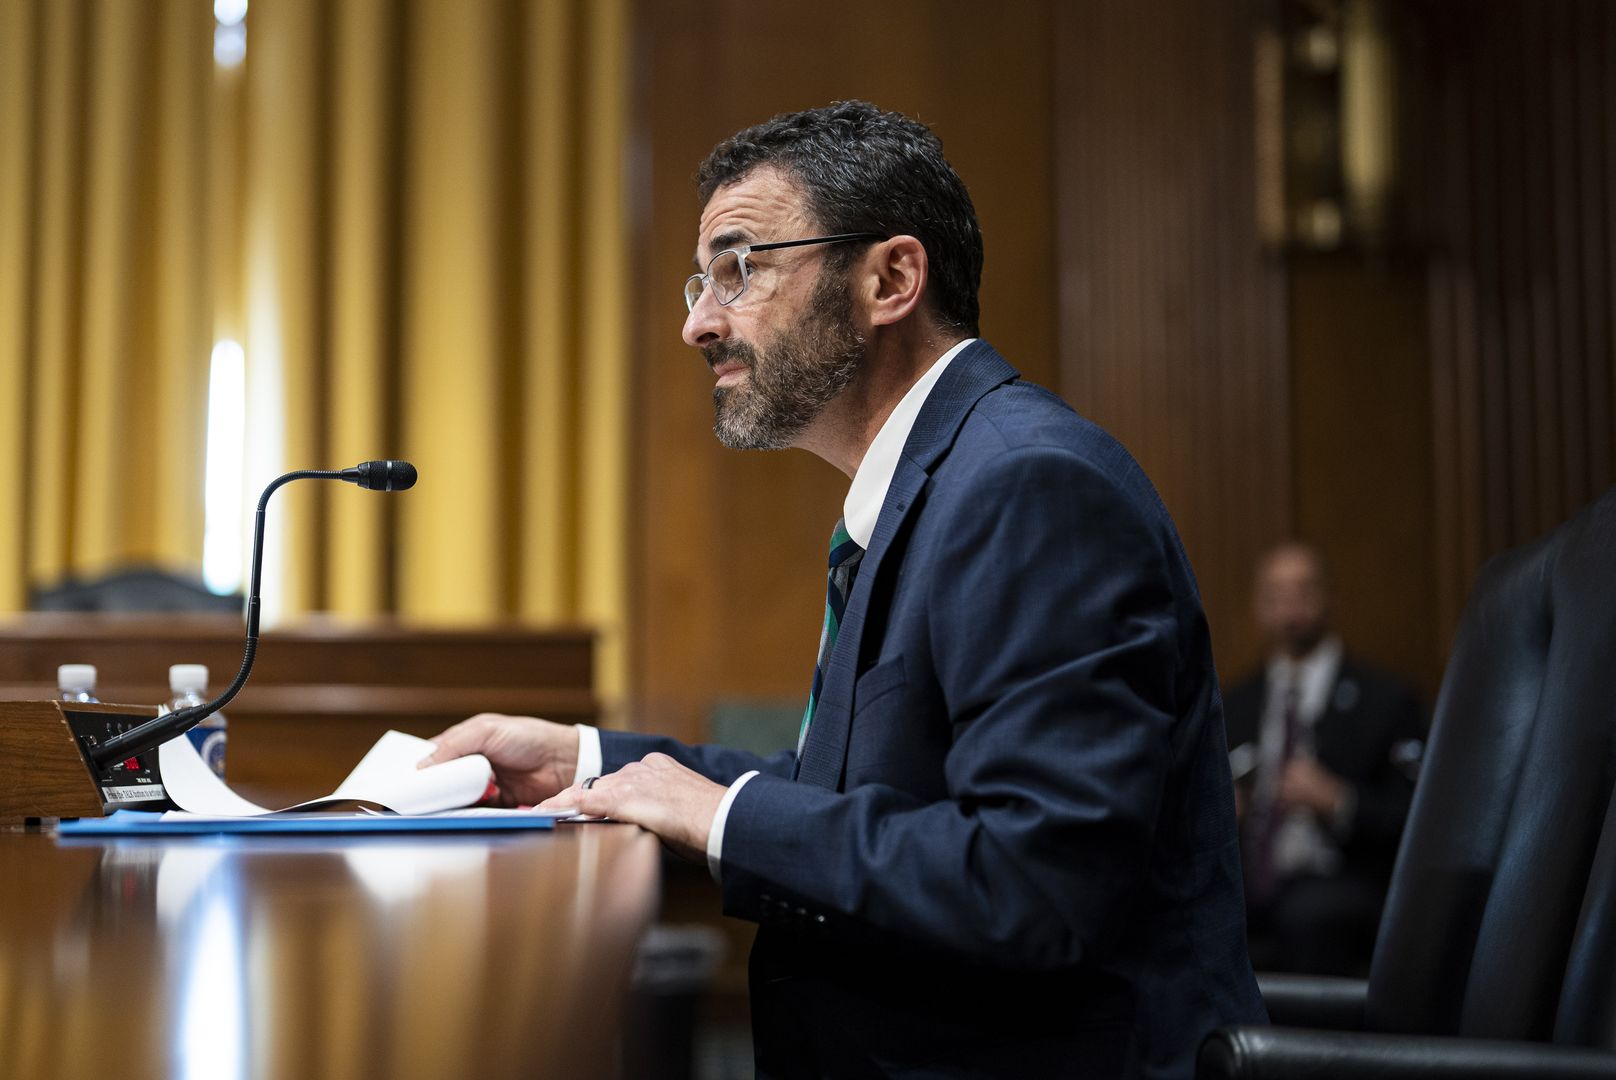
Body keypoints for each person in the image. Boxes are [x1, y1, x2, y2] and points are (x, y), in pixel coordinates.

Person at [423, 101, 1265, 1078]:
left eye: (740, 268)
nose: (698, 321)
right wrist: (591, 759)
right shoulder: (936, 490)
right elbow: (872, 799)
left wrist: (718, 815)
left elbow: (1031, 881)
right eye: (701, 281)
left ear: (891, 278)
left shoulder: (1030, 487)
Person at [1226, 541, 1425, 977]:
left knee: (1311, 914)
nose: (1290, 607)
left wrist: (1339, 801)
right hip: (1252, 875)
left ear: (1330, 597)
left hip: (1340, 878)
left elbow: (1420, 818)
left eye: (1304, 591)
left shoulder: (1385, 699)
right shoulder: (1234, 703)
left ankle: (1302, 1046)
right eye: (1276, 594)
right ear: (1258, 605)